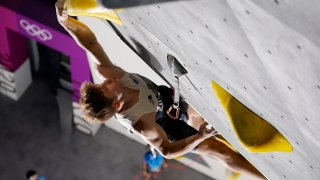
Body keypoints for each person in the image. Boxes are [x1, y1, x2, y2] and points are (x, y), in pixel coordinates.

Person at [55, 0, 264, 179]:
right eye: (106, 88)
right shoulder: (141, 124)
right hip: (166, 126)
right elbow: (167, 151)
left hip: (166, 98)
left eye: (101, 84)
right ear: (117, 104)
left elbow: (90, 43)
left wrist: (65, 22)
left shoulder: (111, 74)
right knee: (220, 151)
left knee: (215, 124)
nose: (105, 80)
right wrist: (200, 136)